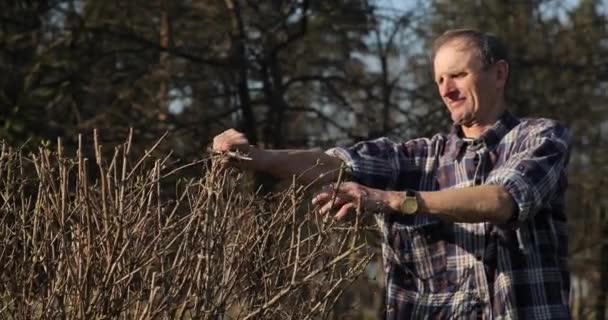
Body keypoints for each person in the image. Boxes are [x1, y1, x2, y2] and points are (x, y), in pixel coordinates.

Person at [212, 29, 571, 319]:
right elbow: (329, 163)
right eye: (439, 80)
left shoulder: (540, 138)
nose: (446, 90)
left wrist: (396, 201)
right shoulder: (414, 159)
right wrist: (256, 157)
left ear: (499, 74)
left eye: (458, 75)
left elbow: (501, 200)